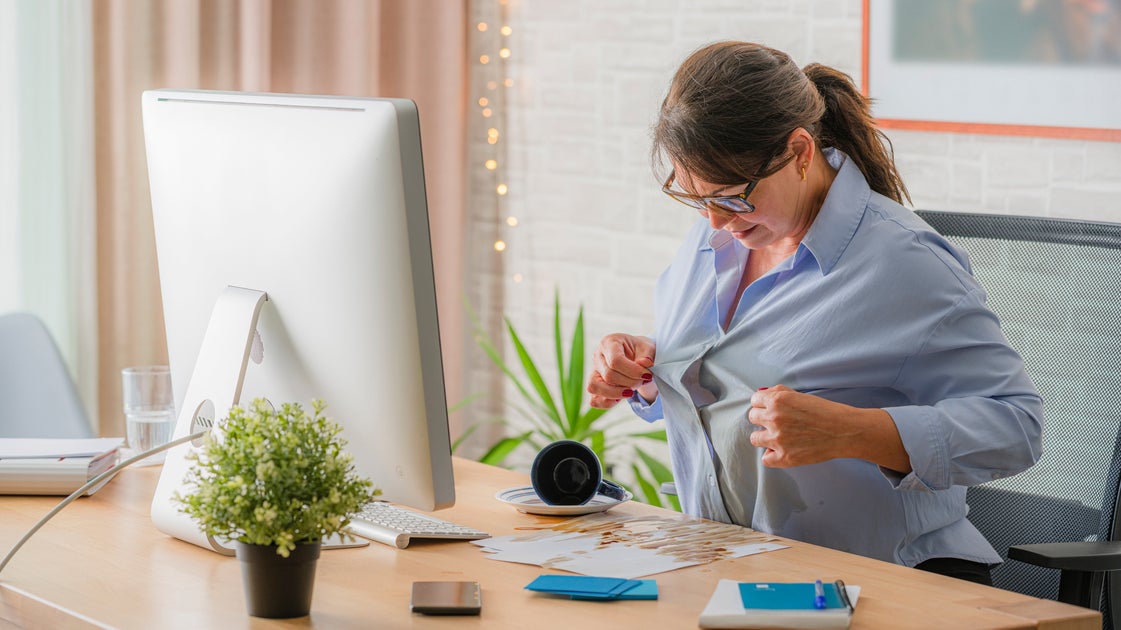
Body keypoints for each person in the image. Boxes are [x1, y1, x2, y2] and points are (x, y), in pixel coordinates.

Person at [586, 41, 1043, 586]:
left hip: (884, 584)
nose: (713, 222)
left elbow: (1016, 427)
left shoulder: (905, 262)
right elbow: (728, 385)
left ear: (800, 151)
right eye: (695, 197)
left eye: (730, 197)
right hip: (738, 571)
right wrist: (647, 371)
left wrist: (854, 431)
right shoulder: (717, 239)